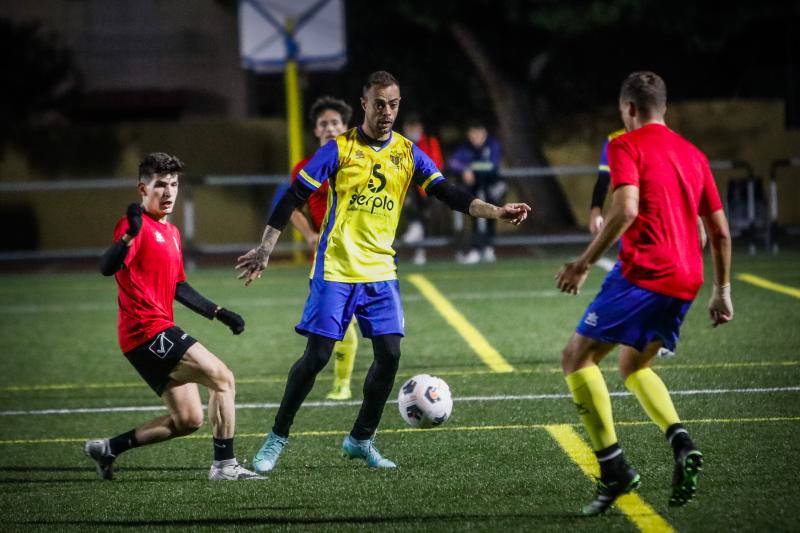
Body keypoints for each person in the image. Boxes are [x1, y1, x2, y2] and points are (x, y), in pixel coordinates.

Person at [236, 71, 530, 473]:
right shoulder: (339, 150)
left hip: (380, 270)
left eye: (393, 104)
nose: (387, 111)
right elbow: (294, 197)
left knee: (390, 355)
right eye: (379, 103)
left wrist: (497, 211)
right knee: (316, 357)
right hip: (336, 268)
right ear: (364, 104)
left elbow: (450, 195)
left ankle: (360, 439)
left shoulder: (409, 153)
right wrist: (266, 249)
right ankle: (277, 437)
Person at [554, 71, 733, 515]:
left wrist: (583, 262)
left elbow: (627, 208)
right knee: (633, 363)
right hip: (688, 278)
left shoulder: (624, 144)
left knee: (577, 357)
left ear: (629, 109)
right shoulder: (694, 155)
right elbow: (721, 233)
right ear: (664, 108)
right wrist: (722, 291)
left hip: (644, 272)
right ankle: (680, 441)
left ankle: (614, 469)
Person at [85, 152, 262, 481]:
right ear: (143, 188)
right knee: (223, 378)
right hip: (146, 331)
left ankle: (108, 448)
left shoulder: (173, 233)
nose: (168, 192)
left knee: (188, 419)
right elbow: (107, 267)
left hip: (153, 333)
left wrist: (219, 313)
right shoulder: (133, 225)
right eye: (160, 185)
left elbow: (178, 286)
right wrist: (128, 236)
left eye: (174, 184)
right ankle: (224, 466)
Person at [288, 96, 359, 401]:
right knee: (337, 321)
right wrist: (308, 234)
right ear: (316, 131)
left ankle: (343, 384)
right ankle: (342, 384)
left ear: (345, 128)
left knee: (354, 321)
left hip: (363, 251)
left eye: (335, 123)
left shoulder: (359, 160)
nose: (330, 128)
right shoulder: (306, 167)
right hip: (328, 254)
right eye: (323, 124)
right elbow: (290, 206)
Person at [448, 121, 505, 264]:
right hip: (475, 188)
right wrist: (464, 169)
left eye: (479, 134)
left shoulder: (493, 145)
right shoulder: (465, 147)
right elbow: (452, 162)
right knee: (476, 216)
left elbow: (492, 166)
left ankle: (487, 248)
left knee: (492, 215)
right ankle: (477, 249)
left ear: (485, 134)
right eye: (473, 134)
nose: (476, 138)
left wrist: (470, 168)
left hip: (492, 186)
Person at [400, 113, 445, 265]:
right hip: (408, 187)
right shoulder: (399, 143)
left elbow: (436, 163)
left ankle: (421, 250)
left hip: (428, 186)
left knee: (428, 213)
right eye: (410, 127)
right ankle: (415, 227)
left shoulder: (430, 142)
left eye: (415, 126)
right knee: (407, 202)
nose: (413, 130)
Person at [588, 129, 626, 235]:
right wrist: (596, 210)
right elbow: (603, 179)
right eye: (624, 111)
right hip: (626, 218)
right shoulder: (614, 141)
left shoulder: (667, 139)